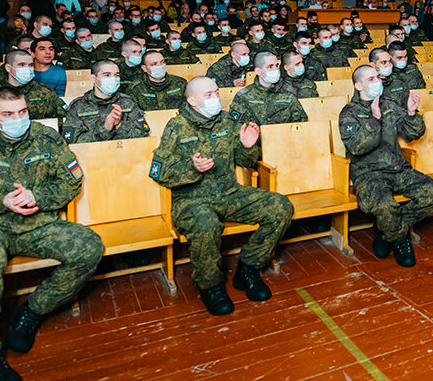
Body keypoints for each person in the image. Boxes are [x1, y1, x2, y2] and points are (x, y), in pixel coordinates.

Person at [0, 88, 103, 381]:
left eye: (22, 112)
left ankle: (31, 311)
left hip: (35, 223)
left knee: (89, 246)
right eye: (8, 114)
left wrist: (38, 196)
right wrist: (1, 201)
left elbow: (71, 180)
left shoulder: (47, 138)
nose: (18, 119)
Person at [150, 77, 293, 314]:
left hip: (229, 192)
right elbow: (158, 171)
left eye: (216, 92)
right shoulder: (177, 126)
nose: (215, 98)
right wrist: (191, 168)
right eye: (208, 95)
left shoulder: (227, 121)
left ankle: (248, 268)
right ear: (192, 101)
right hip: (191, 200)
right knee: (206, 225)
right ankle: (211, 287)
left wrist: (248, 146)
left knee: (281, 207)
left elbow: (246, 162)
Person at [339, 65, 433, 266]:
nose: (377, 81)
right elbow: (357, 147)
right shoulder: (349, 112)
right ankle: (400, 239)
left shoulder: (389, 104)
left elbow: (412, 134)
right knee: (385, 205)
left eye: (377, 77)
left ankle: (388, 229)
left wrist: (412, 114)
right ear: (358, 85)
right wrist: (375, 119)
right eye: (370, 79)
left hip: (397, 168)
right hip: (368, 174)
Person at [0, 50, 66, 126]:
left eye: (30, 65)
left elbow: (62, 118)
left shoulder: (44, 92)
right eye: (21, 65)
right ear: (8, 68)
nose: (27, 68)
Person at [62, 60, 150, 143]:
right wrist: (105, 129)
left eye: (117, 75)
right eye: (107, 75)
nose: (113, 79)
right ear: (93, 79)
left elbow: (143, 134)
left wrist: (119, 125)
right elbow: (71, 141)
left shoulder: (128, 103)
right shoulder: (78, 106)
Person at [228, 52, 307, 137]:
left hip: (285, 143)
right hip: (254, 147)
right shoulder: (243, 96)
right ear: (258, 71)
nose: (275, 70)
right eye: (270, 66)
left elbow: (300, 125)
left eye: (276, 66)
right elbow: (237, 130)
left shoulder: (289, 92)